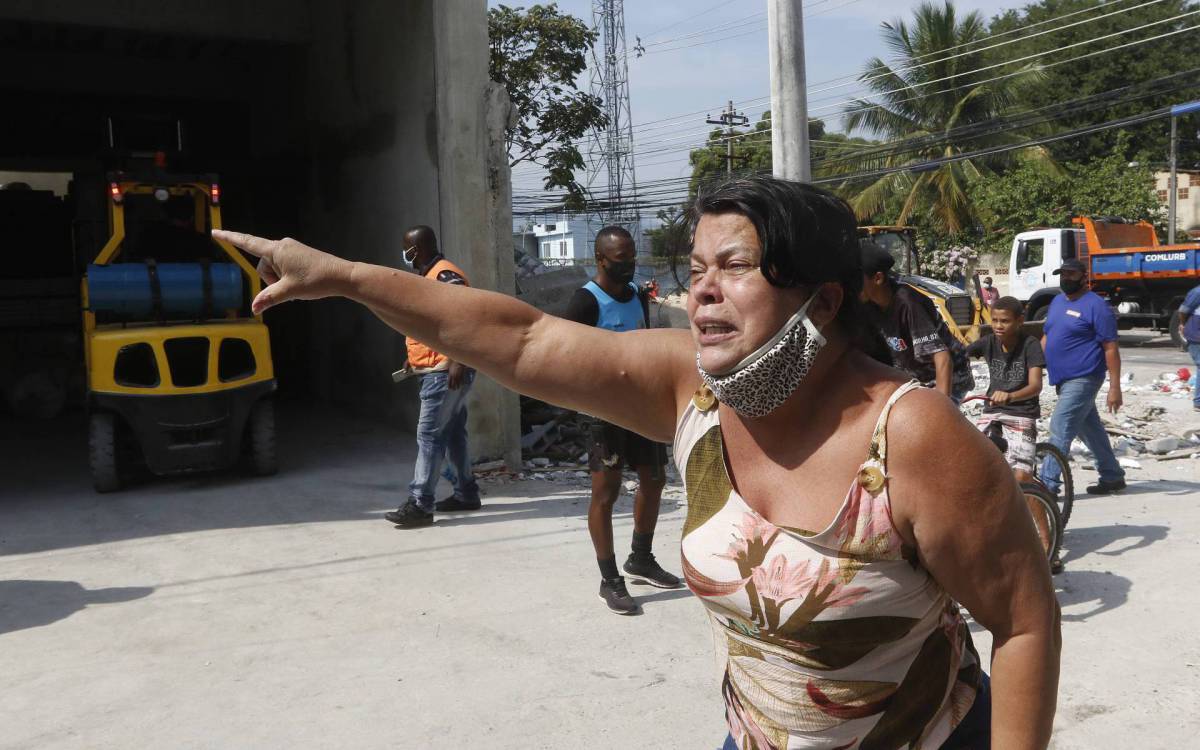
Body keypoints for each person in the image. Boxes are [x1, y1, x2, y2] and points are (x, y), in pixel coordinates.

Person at [214, 176, 1059, 748]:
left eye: (735, 267)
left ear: (824, 300)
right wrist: (348, 278)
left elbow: (1023, 623)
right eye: (695, 269)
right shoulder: (691, 391)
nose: (702, 290)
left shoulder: (913, 437)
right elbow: (524, 339)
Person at [562, 226, 682, 615]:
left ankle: (641, 558)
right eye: (620, 259)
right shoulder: (585, 302)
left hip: (642, 408)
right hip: (603, 414)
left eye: (631, 257)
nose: (629, 264)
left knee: (654, 479)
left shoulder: (636, 296)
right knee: (606, 492)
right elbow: (568, 357)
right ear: (600, 260)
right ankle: (609, 579)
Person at [383, 225, 481, 528]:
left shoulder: (444, 276)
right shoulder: (429, 276)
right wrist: (414, 358)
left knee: (429, 435)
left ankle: (420, 504)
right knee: (453, 434)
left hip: (444, 372)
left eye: (407, 249)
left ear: (417, 249)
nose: (405, 254)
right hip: (436, 368)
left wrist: (458, 359)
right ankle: (466, 493)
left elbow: (466, 316)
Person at [1039, 259, 1126, 496]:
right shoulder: (1057, 301)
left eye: (1071, 274)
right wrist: (1034, 364)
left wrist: (1115, 387)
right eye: (1062, 274)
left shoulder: (1097, 306)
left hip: (1085, 377)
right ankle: (1112, 475)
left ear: (1084, 276)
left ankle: (1047, 485)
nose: (1066, 278)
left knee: (1060, 426)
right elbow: (1047, 336)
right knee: (1090, 429)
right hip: (1062, 379)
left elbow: (1110, 348)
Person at [860, 241, 976, 402]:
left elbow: (943, 358)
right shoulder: (868, 306)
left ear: (878, 278)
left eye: (856, 278)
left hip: (950, 379)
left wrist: (940, 406)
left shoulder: (908, 303)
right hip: (913, 381)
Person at [967, 297, 1044, 482]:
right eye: (994, 320)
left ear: (1019, 321)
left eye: (1005, 321)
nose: (998, 326)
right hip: (992, 412)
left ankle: (1035, 500)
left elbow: (1036, 386)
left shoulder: (1030, 345)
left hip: (1022, 413)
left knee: (1022, 477)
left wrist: (1010, 396)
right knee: (973, 466)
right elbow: (957, 356)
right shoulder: (988, 342)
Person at [1178, 281, 1200, 412]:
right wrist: (1183, 324)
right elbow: (1183, 311)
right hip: (1196, 335)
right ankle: (1198, 402)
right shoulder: (1197, 292)